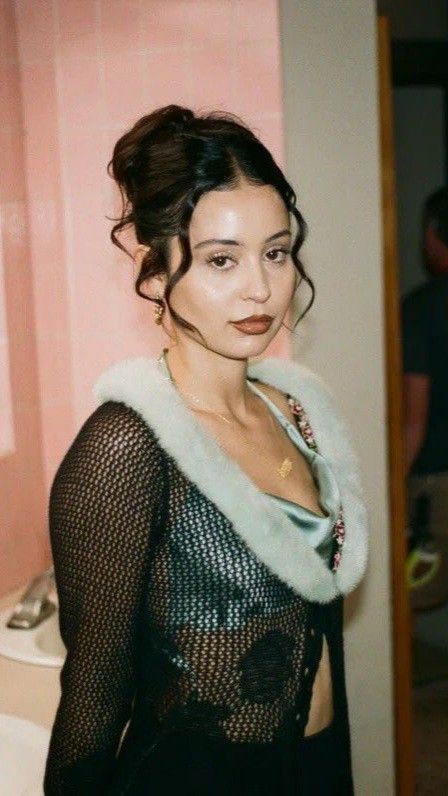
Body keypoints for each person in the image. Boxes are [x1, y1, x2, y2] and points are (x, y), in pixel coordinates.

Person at [43, 104, 369, 795]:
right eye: (222, 259)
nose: (261, 288)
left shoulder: (297, 411)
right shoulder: (127, 448)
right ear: (155, 270)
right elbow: (94, 697)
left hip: (315, 768)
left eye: (276, 252)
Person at [401, 187, 448, 611]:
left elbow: (413, 420)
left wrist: (392, 485)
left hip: (436, 483)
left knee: (407, 599)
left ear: (433, 234)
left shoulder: (421, 309)